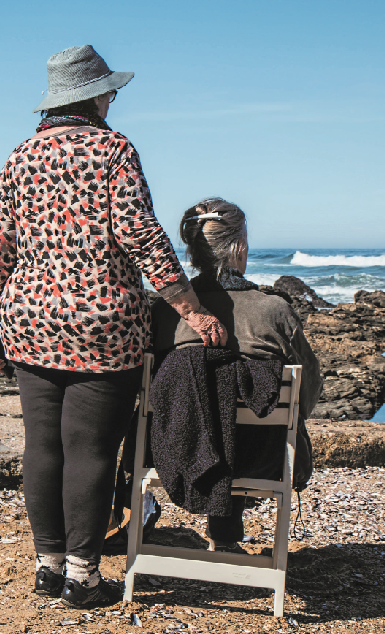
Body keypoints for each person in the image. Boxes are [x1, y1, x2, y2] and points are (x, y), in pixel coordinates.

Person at [0, 45, 227, 608]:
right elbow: (141, 234)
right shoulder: (113, 149)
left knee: (42, 446)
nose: (113, 98)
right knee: (89, 448)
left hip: (30, 317)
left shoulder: (21, 156)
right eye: (109, 91)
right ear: (90, 95)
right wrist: (191, 307)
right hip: (102, 324)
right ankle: (82, 577)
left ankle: (48, 566)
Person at [151, 197, 322, 552]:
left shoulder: (166, 312)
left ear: (194, 251)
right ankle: (226, 537)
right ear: (238, 249)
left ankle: (220, 537)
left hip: (175, 452)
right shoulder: (273, 310)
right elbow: (308, 390)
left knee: (207, 409)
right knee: (244, 422)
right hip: (261, 457)